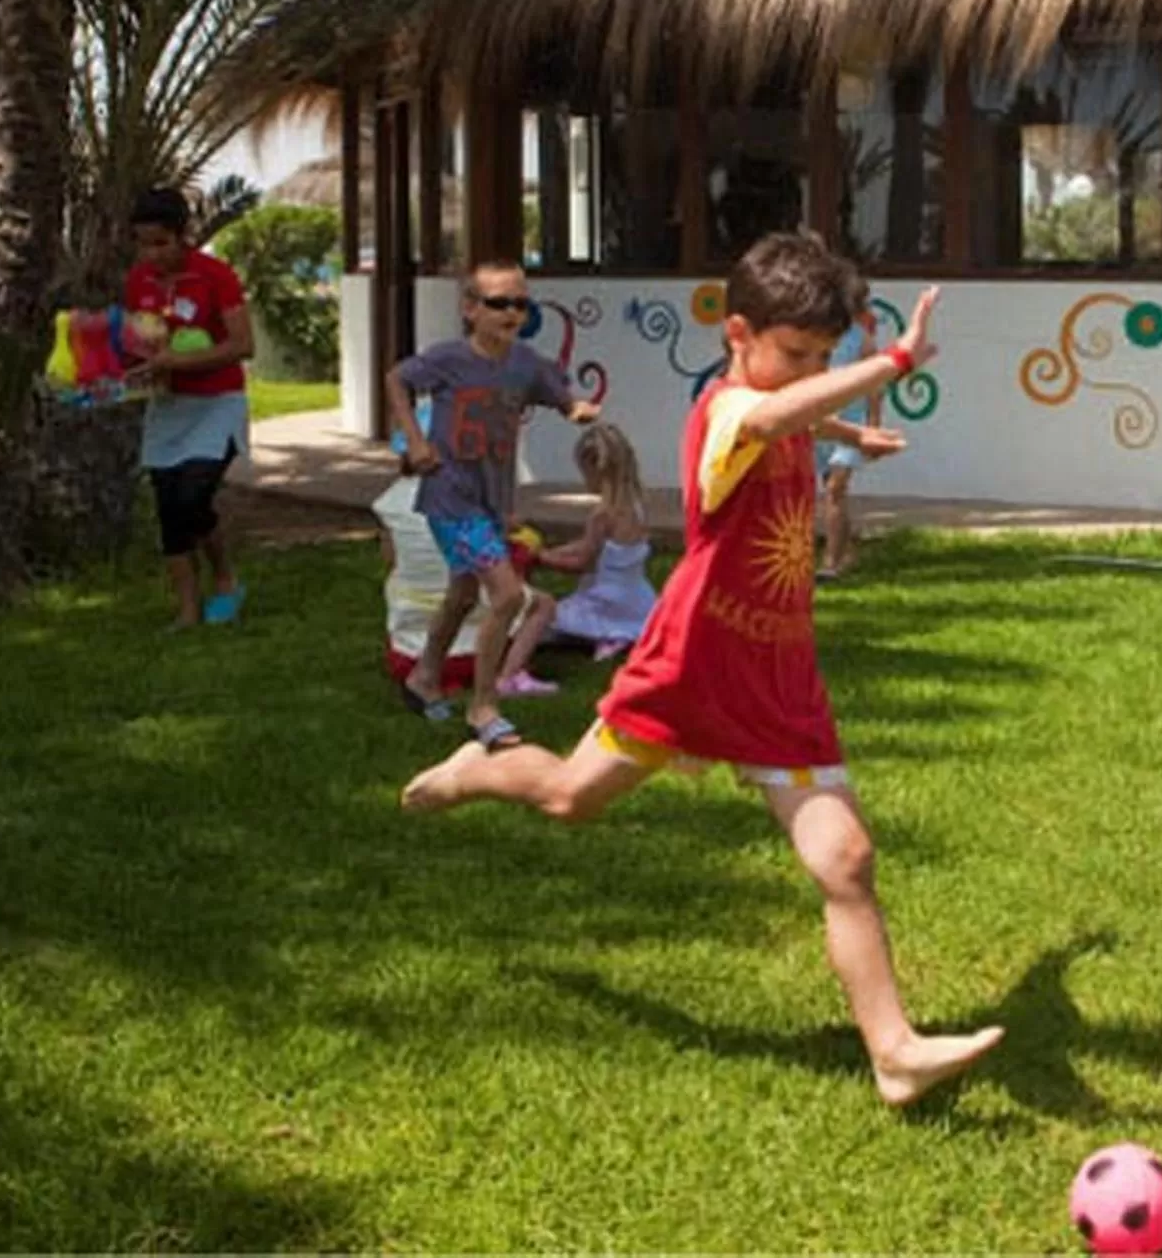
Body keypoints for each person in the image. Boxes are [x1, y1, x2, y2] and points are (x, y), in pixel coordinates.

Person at [402, 231, 1005, 1108]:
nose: (805, 373)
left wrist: (848, 433)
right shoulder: (726, 415)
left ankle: (894, 1050)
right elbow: (760, 420)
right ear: (737, 331)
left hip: (777, 677)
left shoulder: (787, 399)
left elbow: (794, 413)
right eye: (794, 355)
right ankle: (478, 771)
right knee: (573, 798)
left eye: (822, 358)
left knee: (847, 858)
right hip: (691, 667)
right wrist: (894, 363)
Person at [387, 259, 600, 744]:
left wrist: (575, 409)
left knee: (463, 595)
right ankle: (484, 709)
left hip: (490, 501)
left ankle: (423, 678)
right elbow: (396, 379)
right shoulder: (446, 359)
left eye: (520, 304)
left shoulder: (524, 363)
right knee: (506, 595)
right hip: (449, 496)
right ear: (470, 309)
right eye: (498, 302)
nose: (511, 312)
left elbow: (557, 393)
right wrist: (415, 441)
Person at [125, 185, 255, 630]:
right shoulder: (138, 281)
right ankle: (187, 609)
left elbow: (243, 345)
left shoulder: (215, 276)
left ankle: (224, 578)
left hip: (218, 403)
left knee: (194, 495)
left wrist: (178, 361)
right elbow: (139, 342)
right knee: (169, 507)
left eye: (161, 242)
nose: (152, 254)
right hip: (169, 406)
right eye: (143, 243)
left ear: (184, 236)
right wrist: (130, 370)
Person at [375, 452, 561, 701]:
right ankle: (508, 676)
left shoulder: (390, 501)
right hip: (474, 649)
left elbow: (390, 558)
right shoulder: (470, 495)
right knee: (541, 604)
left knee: (402, 583)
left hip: (408, 653)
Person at [537, 420, 657, 660]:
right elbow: (595, 547)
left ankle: (607, 631)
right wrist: (555, 550)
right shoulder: (636, 506)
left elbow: (583, 561)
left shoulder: (602, 515)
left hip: (605, 598)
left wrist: (542, 559)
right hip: (636, 597)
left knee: (549, 619)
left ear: (594, 471)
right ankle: (623, 631)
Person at [816, 292, 884, 580]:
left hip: (851, 425)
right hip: (823, 425)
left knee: (835, 489)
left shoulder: (862, 340)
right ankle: (847, 549)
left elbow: (875, 385)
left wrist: (873, 424)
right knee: (834, 493)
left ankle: (830, 561)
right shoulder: (818, 335)